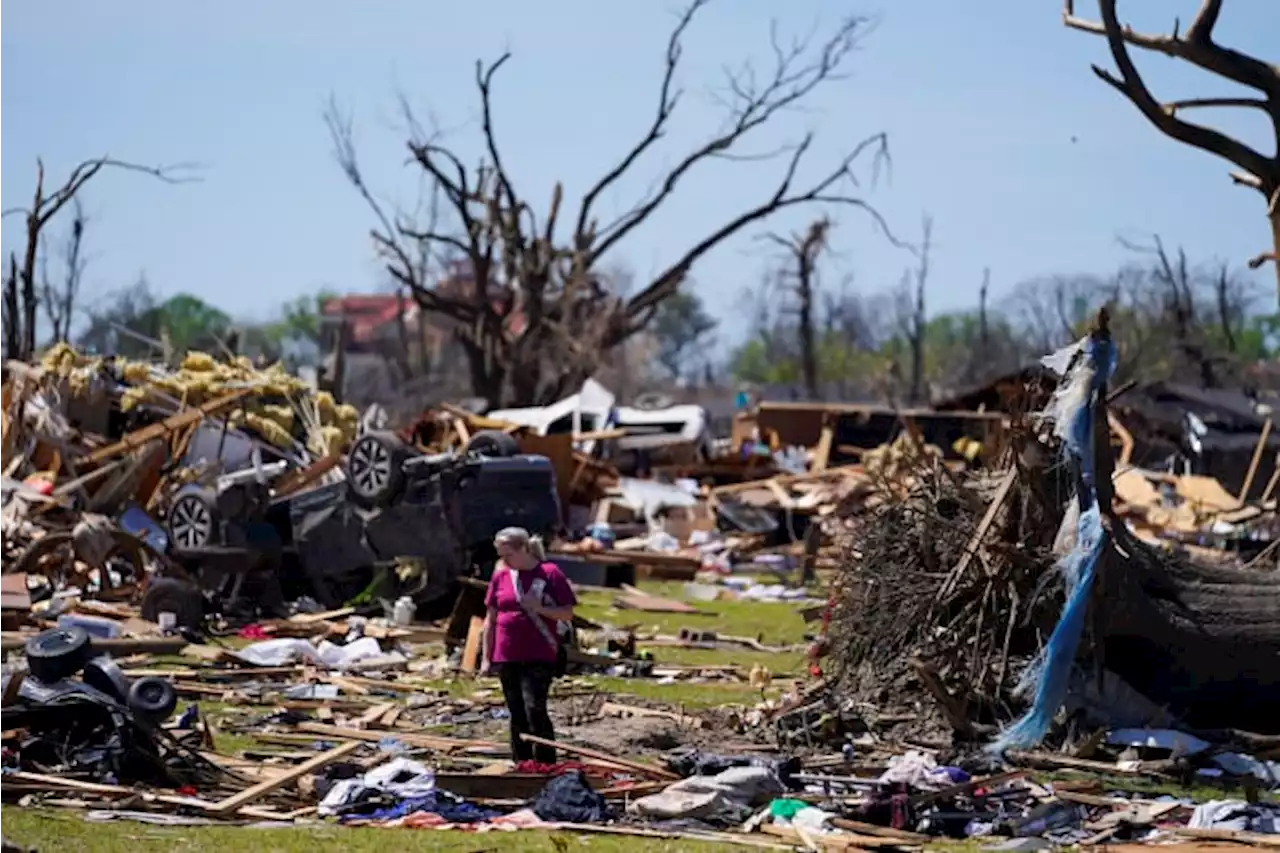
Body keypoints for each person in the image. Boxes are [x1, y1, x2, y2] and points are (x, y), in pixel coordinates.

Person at [480, 526, 577, 764]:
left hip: (538, 653)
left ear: (523, 548)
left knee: (535, 708)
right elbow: (490, 619)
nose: (503, 561)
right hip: (507, 654)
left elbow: (567, 613)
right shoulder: (501, 577)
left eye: (508, 555)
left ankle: (545, 762)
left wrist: (539, 608)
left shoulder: (549, 573)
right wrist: (486, 657)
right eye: (500, 555)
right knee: (516, 713)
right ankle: (522, 762)